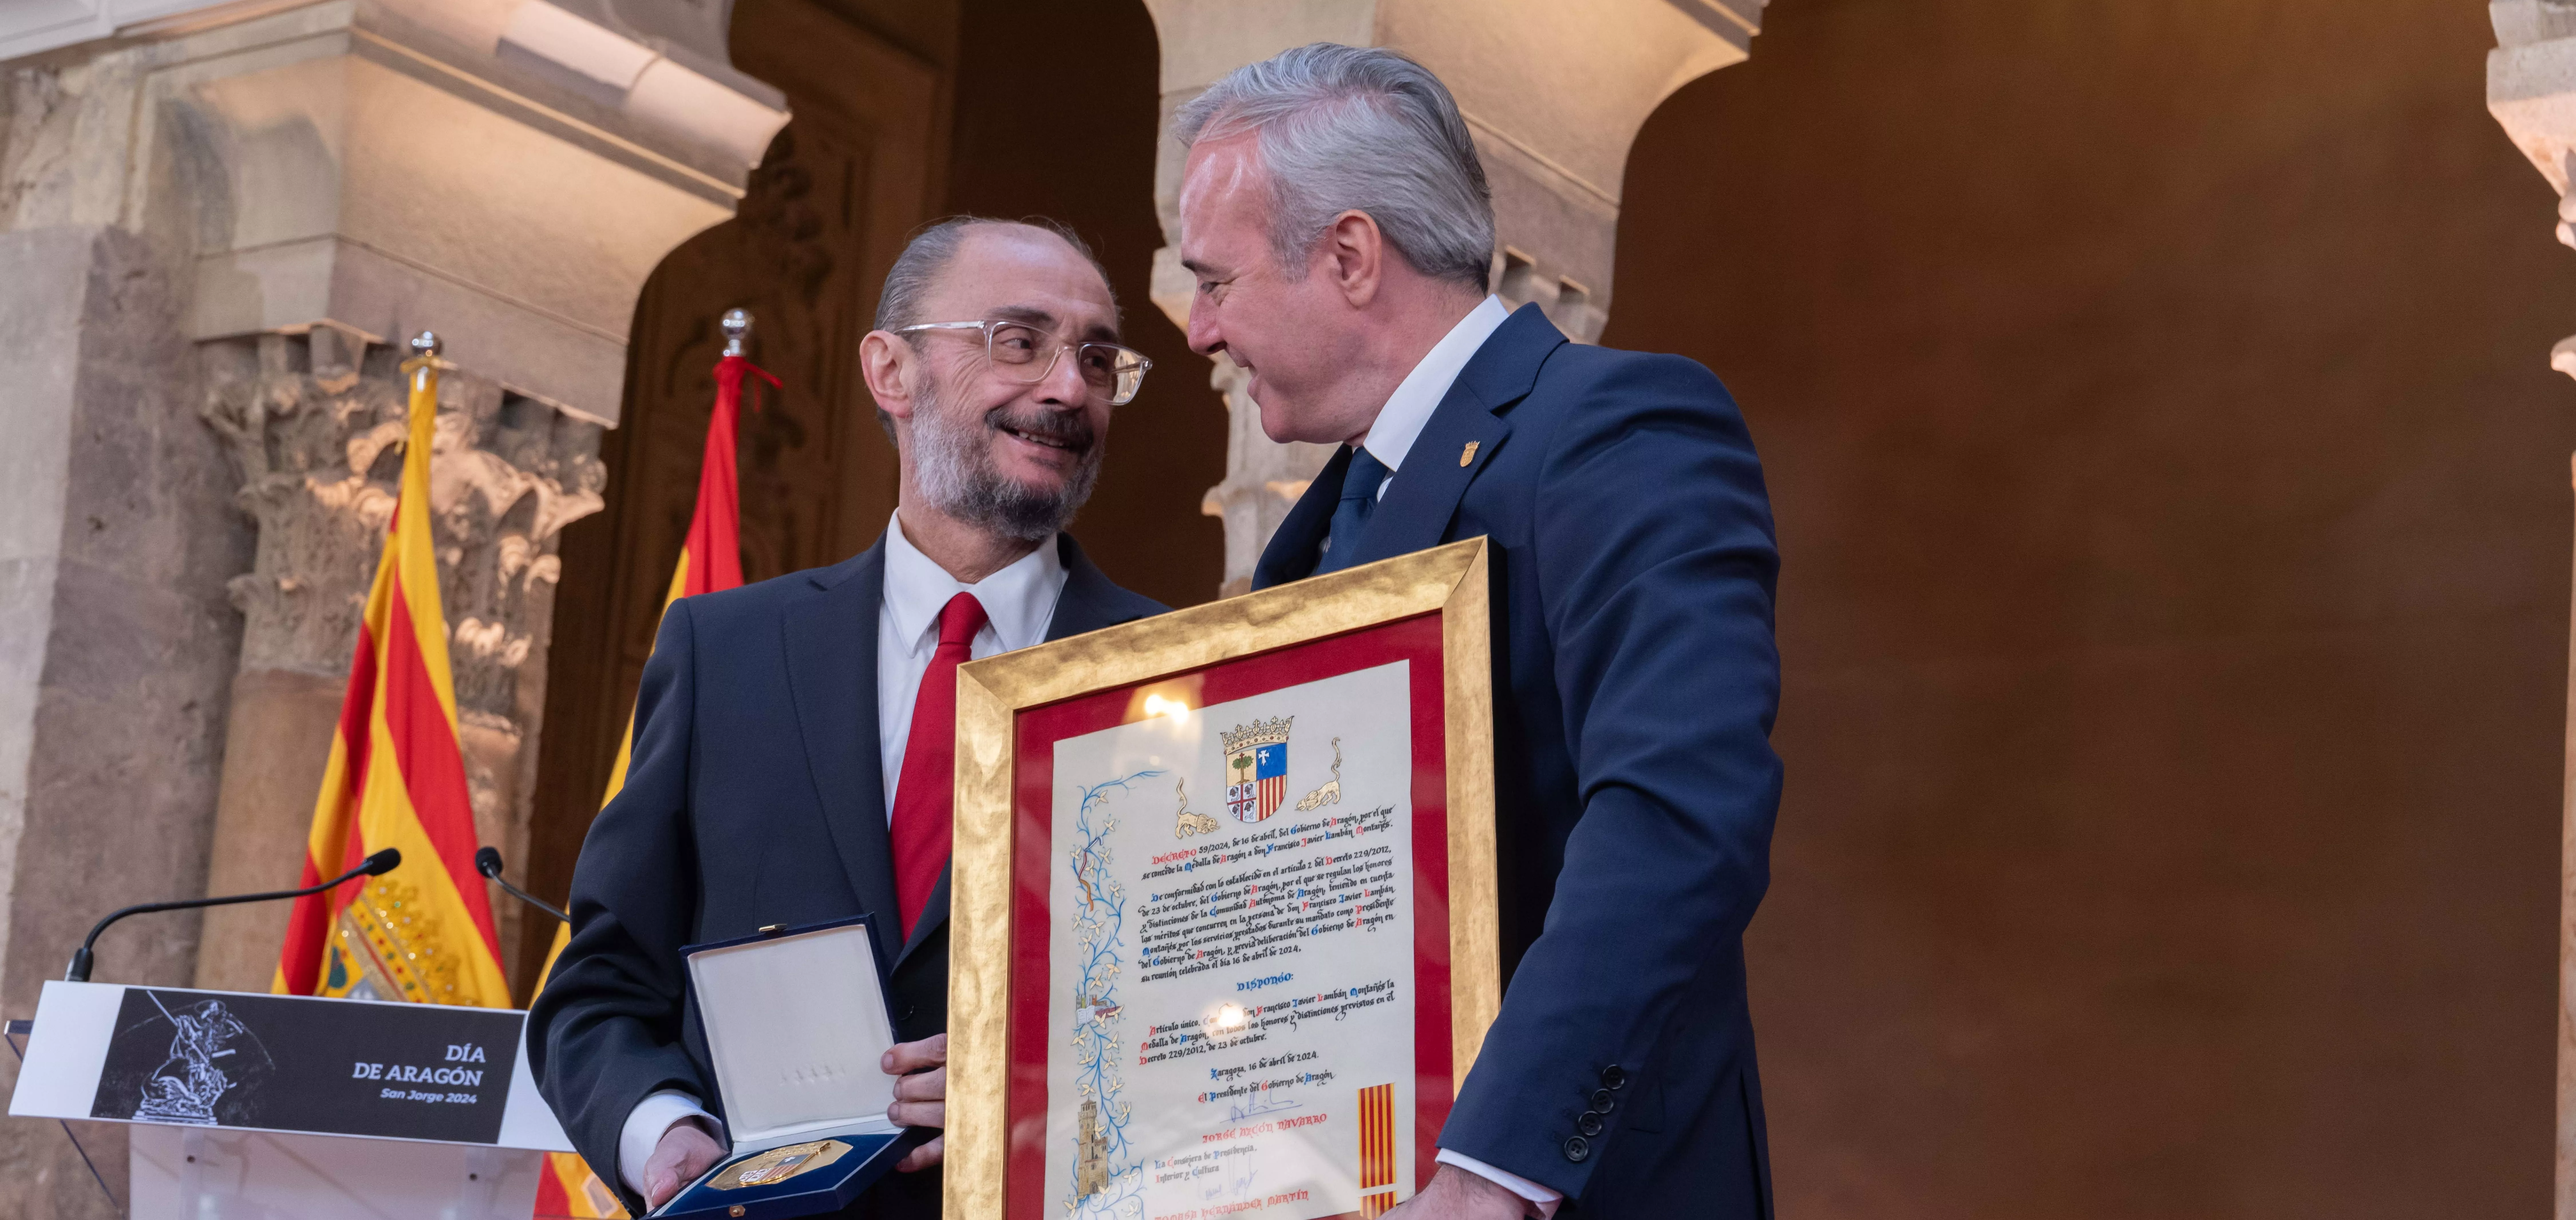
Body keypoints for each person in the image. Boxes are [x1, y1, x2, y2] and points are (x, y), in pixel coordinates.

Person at [1174, 45, 1783, 1219]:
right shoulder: (1327, 519)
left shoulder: (1614, 429)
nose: (1200, 329)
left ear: (1350, 255)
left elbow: (1679, 811)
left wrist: (1495, 1164)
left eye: (1217, 281)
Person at [529, 217, 1167, 1219]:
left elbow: (1243, 1020)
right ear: (891, 370)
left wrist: (1059, 1088)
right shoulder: (724, 652)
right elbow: (597, 993)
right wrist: (664, 1135)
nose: (1066, 389)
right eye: (1019, 341)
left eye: (1096, 358)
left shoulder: (1184, 674)